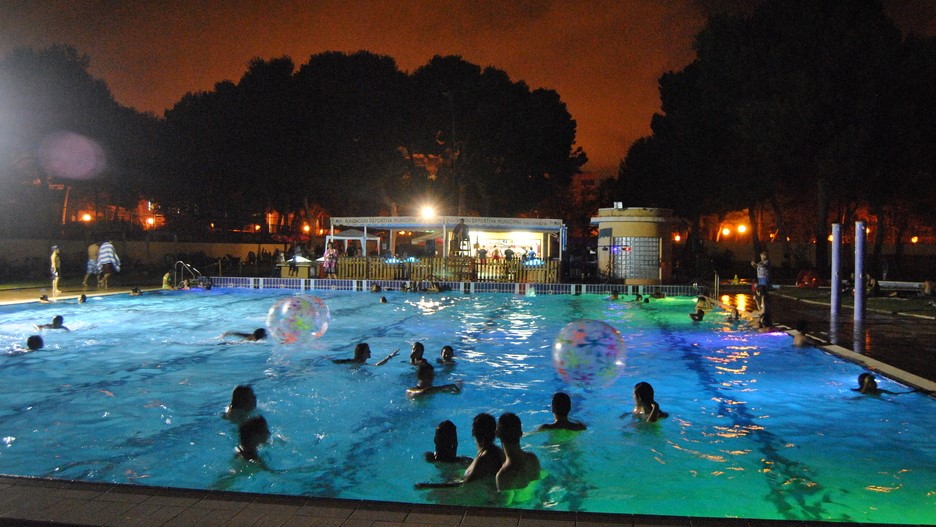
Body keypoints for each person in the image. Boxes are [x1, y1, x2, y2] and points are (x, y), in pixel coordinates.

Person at [415, 413, 505, 489]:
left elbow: (463, 485)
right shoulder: (495, 452)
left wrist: (428, 486)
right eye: (445, 441)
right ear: (495, 433)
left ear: (473, 432)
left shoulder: (481, 460)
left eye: (452, 442)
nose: (451, 446)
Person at [495, 413, 541, 491]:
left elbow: (504, 502)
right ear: (521, 434)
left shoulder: (504, 474)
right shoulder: (533, 459)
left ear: (497, 434)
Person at [332, 343, 399, 365]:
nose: (370, 352)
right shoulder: (354, 362)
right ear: (361, 353)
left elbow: (376, 365)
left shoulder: (362, 363)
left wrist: (389, 357)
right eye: (367, 350)